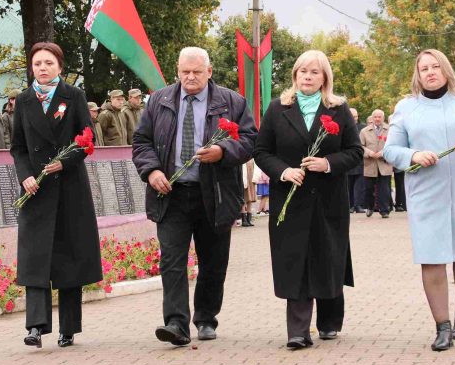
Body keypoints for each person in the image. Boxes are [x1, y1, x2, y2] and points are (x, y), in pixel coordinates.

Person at [132, 46, 256, 346]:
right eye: (185, 71)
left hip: (214, 194)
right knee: (172, 260)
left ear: (209, 72)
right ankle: (176, 323)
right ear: (177, 70)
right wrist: (151, 171)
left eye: (197, 72)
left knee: (213, 261)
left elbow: (251, 139)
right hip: (171, 194)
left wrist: (223, 151)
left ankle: (206, 317)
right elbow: (141, 141)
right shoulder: (159, 101)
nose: (190, 77)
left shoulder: (232, 102)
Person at [383, 49, 455, 351]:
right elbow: (391, 150)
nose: (430, 72)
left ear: (446, 69)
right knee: (431, 255)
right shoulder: (407, 107)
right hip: (426, 190)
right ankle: (442, 326)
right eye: (424, 68)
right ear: (417, 74)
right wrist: (413, 155)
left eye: (436, 66)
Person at [253, 49, 361, 349]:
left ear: (324, 77)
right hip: (290, 199)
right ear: (295, 76)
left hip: (328, 200)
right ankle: (298, 331)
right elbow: (262, 151)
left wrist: (327, 164)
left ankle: (328, 322)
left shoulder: (338, 109)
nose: (308, 77)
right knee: (295, 260)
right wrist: (284, 171)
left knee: (327, 257)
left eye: (315, 72)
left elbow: (355, 151)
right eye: (303, 71)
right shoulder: (278, 108)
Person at [11, 41, 102, 350]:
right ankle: (36, 327)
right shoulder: (23, 101)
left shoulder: (73, 96)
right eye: (38, 63)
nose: (43, 68)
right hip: (35, 190)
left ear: (60, 67)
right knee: (35, 258)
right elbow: (18, 147)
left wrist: (63, 163)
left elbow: (87, 140)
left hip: (68, 188)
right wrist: (25, 176)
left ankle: (69, 327)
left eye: (49, 63)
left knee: (69, 258)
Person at [360, 109, 392, 218]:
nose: (377, 119)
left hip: (384, 163)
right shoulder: (364, 131)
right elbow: (360, 146)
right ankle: (369, 207)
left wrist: (383, 153)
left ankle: (384, 210)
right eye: (375, 117)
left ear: (383, 118)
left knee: (384, 189)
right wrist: (369, 153)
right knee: (368, 188)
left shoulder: (390, 130)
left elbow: (394, 145)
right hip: (370, 163)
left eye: (380, 117)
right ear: (372, 118)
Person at [347, 108, 366, 213]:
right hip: (348, 161)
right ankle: (349, 205)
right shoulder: (344, 126)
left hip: (359, 160)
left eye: (356, 116)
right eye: (352, 116)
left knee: (359, 185)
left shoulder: (363, 128)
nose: (354, 118)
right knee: (348, 184)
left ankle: (358, 205)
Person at [240, 159, 256, 227]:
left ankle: (248, 219)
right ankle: (244, 220)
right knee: (243, 199)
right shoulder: (242, 160)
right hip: (244, 180)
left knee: (250, 199)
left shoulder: (252, 159)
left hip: (251, 180)